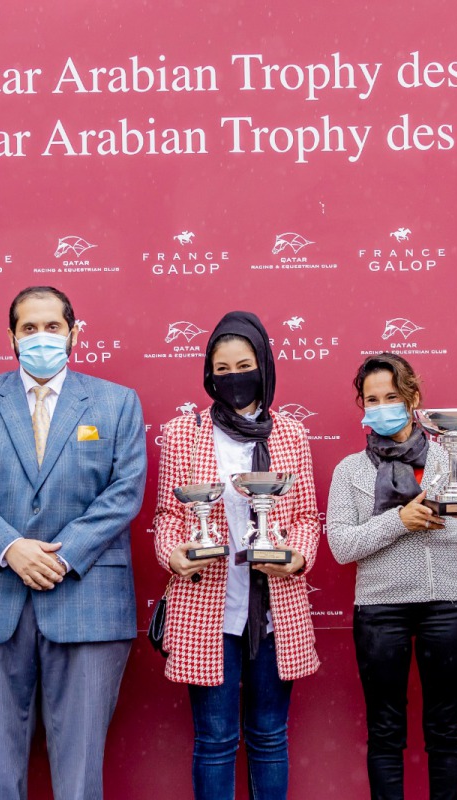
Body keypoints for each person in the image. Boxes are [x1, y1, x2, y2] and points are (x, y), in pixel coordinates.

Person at [0, 285, 147, 800]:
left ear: (74, 333)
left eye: (52, 326)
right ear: (11, 337)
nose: (41, 337)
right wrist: (11, 548)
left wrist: (63, 554)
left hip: (87, 599)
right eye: (28, 328)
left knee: (80, 767)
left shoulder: (117, 403)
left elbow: (124, 492)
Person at [152, 311, 321, 799]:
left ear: (263, 365)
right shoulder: (184, 432)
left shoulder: (290, 433)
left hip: (275, 610)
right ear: (209, 374)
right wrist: (174, 555)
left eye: (244, 366)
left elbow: (306, 516)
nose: (234, 378)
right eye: (222, 369)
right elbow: (168, 514)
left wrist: (297, 557)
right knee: (215, 740)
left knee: (269, 737)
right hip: (207, 606)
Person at [326, 352, 457, 800]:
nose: (382, 407)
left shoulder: (451, 459)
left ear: (413, 398)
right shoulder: (349, 470)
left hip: (447, 606)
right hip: (379, 610)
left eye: (392, 397)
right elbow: (341, 546)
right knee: (385, 731)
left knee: (445, 728)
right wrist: (399, 520)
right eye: (372, 399)